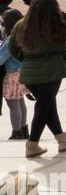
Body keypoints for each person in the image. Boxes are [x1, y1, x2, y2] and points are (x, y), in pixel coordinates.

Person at [11, 0, 66, 158]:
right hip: (53, 69)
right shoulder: (55, 24)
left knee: (47, 106)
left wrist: (26, 59)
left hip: (29, 71)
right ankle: (32, 144)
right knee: (43, 108)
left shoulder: (21, 24)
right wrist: (65, 17)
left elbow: (13, 48)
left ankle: (63, 140)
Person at [0, 10, 28, 142]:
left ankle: (16, 132)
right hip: (22, 71)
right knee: (20, 101)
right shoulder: (22, 34)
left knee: (12, 103)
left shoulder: (11, 38)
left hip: (12, 73)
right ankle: (23, 129)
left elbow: (1, 58)